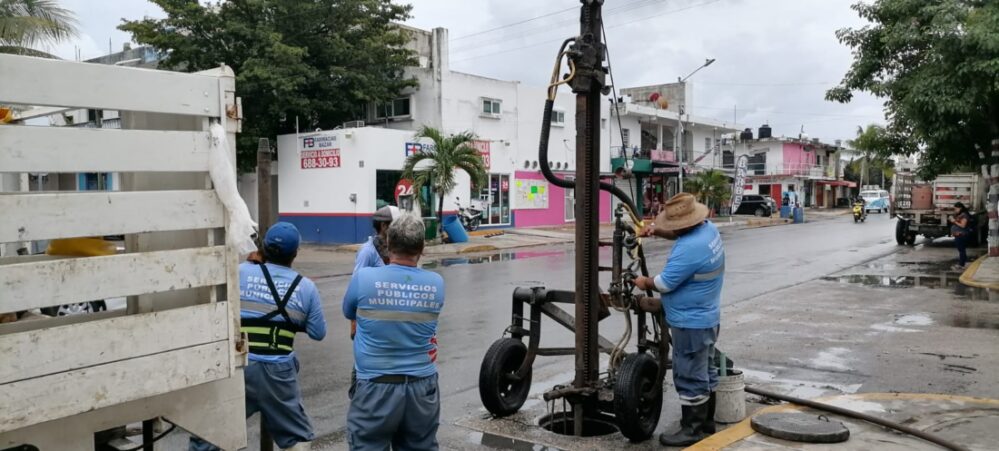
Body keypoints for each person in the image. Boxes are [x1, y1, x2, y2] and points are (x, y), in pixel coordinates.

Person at [190, 222, 327, 451]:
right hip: (279, 373)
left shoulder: (240, 272)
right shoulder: (305, 287)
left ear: (262, 248)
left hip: (242, 365)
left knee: (211, 436)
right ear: (295, 254)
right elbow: (318, 332)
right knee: (298, 438)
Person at [342, 214, 445, 450]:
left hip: (375, 387)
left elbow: (349, 311)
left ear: (387, 244)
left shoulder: (364, 278)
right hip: (422, 388)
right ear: (422, 248)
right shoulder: (436, 283)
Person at [634, 193, 725, 447]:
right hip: (707, 316)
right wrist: (657, 231)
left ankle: (692, 430)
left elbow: (664, 283)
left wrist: (644, 282)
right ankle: (707, 422)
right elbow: (680, 233)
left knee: (688, 374)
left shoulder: (688, 249)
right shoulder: (708, 231)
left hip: (690, 321)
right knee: (706, 369)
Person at [354, 205, 400, 273]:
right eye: (397, 225)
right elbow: (357, 280)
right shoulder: (367, 252)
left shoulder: (396, 248)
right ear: (384, 226)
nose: (401, 228)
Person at [949, 202, 972, 270]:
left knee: (962, 250)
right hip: (958, 235)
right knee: (961, 250)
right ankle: (962, 263)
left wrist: (954, 221)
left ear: (960, 208)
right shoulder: (960, 215)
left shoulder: (964, 215)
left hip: (961, 235)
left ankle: (961, 264)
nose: (955, 210)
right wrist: (952, 219)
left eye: (956, 209)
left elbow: (963, 225)